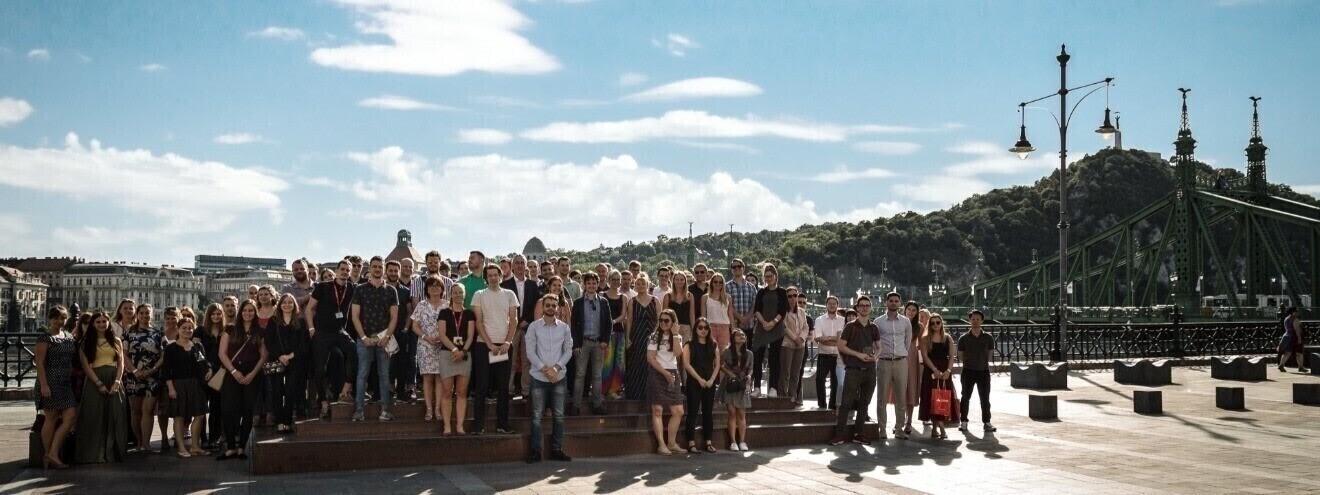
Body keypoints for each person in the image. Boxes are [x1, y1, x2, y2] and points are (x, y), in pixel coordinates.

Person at [524, 295, 574, 463]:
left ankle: (556, 449)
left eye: (554, 305)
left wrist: (556, 368)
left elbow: (568, 350)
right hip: (538, 376)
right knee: (537, 415)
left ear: (558, 308)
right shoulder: (533, 327)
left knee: (559, 415)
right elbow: (530, 352)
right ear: (543, 307)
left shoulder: (565, 328)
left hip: (559, 376)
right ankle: (536, 451)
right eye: (548, 305)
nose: (551, 307)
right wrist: (545, 370)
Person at [305, 260, 358, 419]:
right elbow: (309, 309)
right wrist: (311, 329)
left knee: (354, 351)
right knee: (320, 369)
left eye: (347, 270)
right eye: (342, 269)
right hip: (321, 332)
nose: (345, 272)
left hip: (339, 331)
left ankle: (344, 391)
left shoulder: (353, 288)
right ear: (337, 271)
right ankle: (323, 402)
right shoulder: (323, 286)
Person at [471, 263, 520, 435]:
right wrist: (490, 344)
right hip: (484, 345)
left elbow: (513, 321)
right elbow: (478, 322)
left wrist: (507, 342)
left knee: (503, 388)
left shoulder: (509, 294)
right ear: (486, 278)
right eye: (489, 275)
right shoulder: (479, 295)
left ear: (500, 276)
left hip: (504, 346)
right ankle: (478, 425)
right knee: (482, 386)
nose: (493, 278)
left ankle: (503, 424)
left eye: (495, 275)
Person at [350, 256, 400, 422]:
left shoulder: (391, 291)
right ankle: (359, 410)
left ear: (383, 269)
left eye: (380, 267)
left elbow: (394, 317)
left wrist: (387, 337)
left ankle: (385, 410)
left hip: (384, 339)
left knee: (384, 375)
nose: (378, 269)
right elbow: (355, 316)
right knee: (362, 374)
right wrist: (363, 337)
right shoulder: (360, 289)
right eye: (375, 266)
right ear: (369, 268)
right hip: (364, 339)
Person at [74, 311, 128, 464]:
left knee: (115, 416)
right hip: (94, 380)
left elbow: (121, 363)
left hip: (114, 379)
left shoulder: (116, 340)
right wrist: (98, 383)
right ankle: (95, 454)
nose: (102, 324)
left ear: (109, 323)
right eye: (98, 322)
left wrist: (117, 382)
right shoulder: (86, 342)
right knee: (95, 416)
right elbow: (85, 366)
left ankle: (113, 452)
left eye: (104, 321)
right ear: (93, 324)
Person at [217, 299, 267, 460]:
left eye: (251, 310)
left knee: (248, 411)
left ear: (255, 312)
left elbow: (263, 355)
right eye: (245, 310)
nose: (248, 313)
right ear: (241, 312)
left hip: (252, 373)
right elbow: (222, 353)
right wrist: (233, 371)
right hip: (233, 372)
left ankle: (241, 447)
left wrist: (252, 374)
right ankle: (230, 446)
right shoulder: (230, 329)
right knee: (228, 409)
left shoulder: (260, 331)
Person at [829, 296, 879, 446]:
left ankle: (859, 433)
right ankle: (840, 435)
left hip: (870, 370)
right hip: (853, 369)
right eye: (862, 305)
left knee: (864, 403)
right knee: (846, 403)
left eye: (867, 305)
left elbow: (880, 346)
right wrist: (858, 355)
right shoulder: (850, 327)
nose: (864, 308)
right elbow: (841, 346)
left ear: (870, 308)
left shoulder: (873, 327)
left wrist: (875, 357)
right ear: (857, 308)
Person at [428, 281, 474, 434]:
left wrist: (463, 351)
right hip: (448, 355)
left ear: (464, 294)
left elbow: (470, 336)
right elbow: (442, 334)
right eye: (455, 292)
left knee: (462, 392)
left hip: (464, 356)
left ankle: (459, 426)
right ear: (450, 295)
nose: (458, 295)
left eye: (461, 292)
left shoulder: (469, 314)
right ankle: (447, 426)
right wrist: (455, 349)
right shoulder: (444, 313)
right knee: (447, 392)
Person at [161, 318, 210, 457]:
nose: (187, 331)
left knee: (199, 415)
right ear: (178, 329)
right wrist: (171, 388)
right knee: (179, 416)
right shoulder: (171, 348)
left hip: (195, 384)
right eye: (184, 328)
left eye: (190, 328)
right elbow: (166, 370)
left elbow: (204, 363)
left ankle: (195, 446)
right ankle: (181, 448)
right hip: (178, 384)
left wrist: (210, 370)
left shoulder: (197, 346)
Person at [35, 306, 77, 468]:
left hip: (65, 382)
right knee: (51, 419)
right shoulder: (45, 338)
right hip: (50, 381)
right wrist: (44, 385)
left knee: (70, 416)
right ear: (50, 319)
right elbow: (39, 362)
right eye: (56, 318)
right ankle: (49, 454)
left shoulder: (67, 336)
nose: (59, 321)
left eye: (62, 318)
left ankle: (52, 453)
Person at [124, 304, 164, 453]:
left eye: (147, 313)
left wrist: (153, 369)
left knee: (148, 410)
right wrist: (134, 370)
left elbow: (162, 355)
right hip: (133, 376)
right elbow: (124, 354)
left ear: (152, 315)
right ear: (137, 315)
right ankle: (138, 442)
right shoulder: (129, 332)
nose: (145, 316)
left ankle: (146, 444)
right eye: (142, 313)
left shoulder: (157, 333)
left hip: (152, 377)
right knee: (135, 411)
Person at [267, 294, 309, 434]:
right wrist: (280, 356)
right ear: (280, 305)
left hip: (295, 361)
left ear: (294, 305)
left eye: (290, 302)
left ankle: (287, 421)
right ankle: (279, 422)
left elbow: (304, 343)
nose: (287, 305)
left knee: (291, 392)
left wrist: (290, 356)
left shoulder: (301, 322)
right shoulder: (273, 321)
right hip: (277, 361)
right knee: (277, 392)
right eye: (284, 302)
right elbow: (269, 342)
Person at [571, 273, 611, 416]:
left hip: (598, 344)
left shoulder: (603, 302)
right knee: (580, 375)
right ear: (584, 285)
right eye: (589, 283)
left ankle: (597, 405)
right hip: (583, 343)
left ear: (597, 284)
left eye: (594, 283)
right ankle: (576, 406)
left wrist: (605, 340)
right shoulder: (578, 303)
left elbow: (608, 323)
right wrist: (575, 345)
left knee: (597, 376)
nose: (592, 286)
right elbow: (574, 326)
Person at [874, 292, 911, 440]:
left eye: (896, 301)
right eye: (891, 301)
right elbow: (874, 342)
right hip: (884, 361)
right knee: (882, 397)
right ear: (886, 303)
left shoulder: (906, 322)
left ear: (899, 303)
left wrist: (902, 353)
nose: (894, 303)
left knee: (901, 397)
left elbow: (908, 341)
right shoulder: (878, 322)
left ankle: (899, 429)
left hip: (901, 361)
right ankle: (882, 429)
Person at [647, 309, 685, 455]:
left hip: (673, 372)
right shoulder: (654, 336)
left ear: (672, 322)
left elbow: (677, 353)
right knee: (658, 410)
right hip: (658, 373)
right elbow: (650, 358)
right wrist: (664, 372)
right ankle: (661, 445)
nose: (663, 323)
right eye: (661, 320)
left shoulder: (677, 337)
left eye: (666, 320)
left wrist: (675, 334)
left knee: (678, 411)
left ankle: (672, 442)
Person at [918, 313, 959, 440]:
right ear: (929, 325)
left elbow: (952, 356)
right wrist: (934, 369)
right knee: (932, 397)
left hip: (945, 370)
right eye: (932, 323)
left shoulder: (948, 338)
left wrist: (948, 370)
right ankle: (941, 428)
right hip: (930, 370)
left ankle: (935, 429)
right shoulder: (925, 339)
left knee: (942, 397)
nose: (935, 325)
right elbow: (925, 357)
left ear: (941, 323)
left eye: (938, 322)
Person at [683, 318, 720, 454]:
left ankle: (708, 442)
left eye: (706, 328)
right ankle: (691, 443)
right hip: (694, 381)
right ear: (695, 329)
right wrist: (699, 379)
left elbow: (717, 365)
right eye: (700, 327)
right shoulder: (689, 344)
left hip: (709, 382)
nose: (703, 330)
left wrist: (711, 380)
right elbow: (686, 364)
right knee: (692, 412)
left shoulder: (713, 344)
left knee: (708, 413)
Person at [752, 265, 788, 398]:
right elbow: (757, 309)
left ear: (775, 276)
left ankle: (773, 387)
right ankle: (756, 387)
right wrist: (764, 323)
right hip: (762, 327)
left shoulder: (782, 292)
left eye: (771, 276)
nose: (769, 279)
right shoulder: (761, 292)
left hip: (776, 328)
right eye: (766, 276)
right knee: (758, 357)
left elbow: (783, 311)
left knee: (774, 359)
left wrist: (773, 322)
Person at [958, 310, 996, 433]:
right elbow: (960, 355)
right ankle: (963, 421)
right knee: (965, 397)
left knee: (985, 398)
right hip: (968, 371)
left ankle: (987, 422)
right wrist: (970, 362)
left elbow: (990, 353)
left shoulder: (988, 337)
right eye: (973, 319)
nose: (975, 322)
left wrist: (981, 361)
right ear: (969, 321)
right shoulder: (963, 338)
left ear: (982, 321)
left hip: (983, 371)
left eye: (978, 319)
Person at [385, 260, 416, 404]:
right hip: (384, 333)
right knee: (388, 363)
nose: (393, 273)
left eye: (395, 271)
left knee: (402, 362)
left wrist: (405, 328)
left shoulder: (405, 290)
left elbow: (410, 312)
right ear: (386, 272)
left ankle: (402, 391)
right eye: (390, 270)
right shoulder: (381, 289)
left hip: (401, 332)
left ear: (399, 272)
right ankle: (390, 389)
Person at [624, 275, 659, 401]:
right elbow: (629, 321)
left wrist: (658, 336)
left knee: (651, 363)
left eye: (643, 283)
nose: (640, 286)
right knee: (636, 363)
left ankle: (651, 392)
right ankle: (636, 392)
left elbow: (660, 320)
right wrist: (627, 337)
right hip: (637, 335)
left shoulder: (655, 300)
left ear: (648, 285)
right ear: (635, 286)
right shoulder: (632, 301)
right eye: (638, 284)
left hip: (652, 335)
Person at [198, 304, 226, 449]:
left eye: (218, 314)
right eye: (213, 314)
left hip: (220, 372)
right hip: (204, 373)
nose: (216, 316)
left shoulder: (225, 331)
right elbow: (197, 352)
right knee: (202, 407)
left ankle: (215, 437)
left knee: (217, 407)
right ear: (208, 316)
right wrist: (206, 368)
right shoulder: (201, 331)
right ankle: (203, 438)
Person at [721, 329, 753, 452]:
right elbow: (720, 364)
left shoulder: (749, 353)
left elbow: (751, 367)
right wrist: (730, 374)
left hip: (742, 384)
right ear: (733, 338)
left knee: (741, 413)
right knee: (732, 412)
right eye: (739, 335)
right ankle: (733, 441)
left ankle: (742, 441)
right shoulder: (727, 352)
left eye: (743, 335)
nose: (742, 336)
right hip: (730, 384)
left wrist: (749, 376)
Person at [814, 296, 845, 411]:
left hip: (838, 356)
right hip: (823, 354)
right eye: (829, 303)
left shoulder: (843, 320)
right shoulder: (819, 320)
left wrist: (827, 338)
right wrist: (835, 339)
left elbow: (842, 340)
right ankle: (822, 405)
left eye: (834, 303)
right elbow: (817, 338)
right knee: (820, 379)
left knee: (836, 382)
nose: (832, 305)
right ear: (826, 305)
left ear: (837, 305)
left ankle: (832, 406)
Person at [600, 270, 627, 399]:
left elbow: (623, 315)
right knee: (606, 362)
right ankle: (602, 390)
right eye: (614, 279)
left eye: (618, 279)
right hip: (606, 334)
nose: (616, 282)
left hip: (619, 332)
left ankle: (613, 390)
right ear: (609, 280)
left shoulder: (624, 297)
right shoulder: (602, 295)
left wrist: (614, 321)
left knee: (619, 362)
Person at [779, 287, 808, 405]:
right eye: (789, 296)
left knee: (796, 373)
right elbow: (784, 327)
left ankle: (793, 397)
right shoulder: (783, 311)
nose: (792, 298)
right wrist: (795, 338)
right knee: (785, 372)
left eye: (794, 295)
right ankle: (783, 398)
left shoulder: (801, 311)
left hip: (800, 345)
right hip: (787, 344)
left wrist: (801, 338)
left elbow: (806, 326)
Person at [902, 303, 926, 433]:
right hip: (899, 354)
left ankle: (909, 421)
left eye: (914, 310)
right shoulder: (898, 321)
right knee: (899, 389)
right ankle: (899, 421)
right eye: (909, 309)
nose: (911, 312)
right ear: (904, 310)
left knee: (911, 388)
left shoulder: (919, 327)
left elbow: (922, 345)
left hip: (912, 356)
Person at [702, 273, 735, 350]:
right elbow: (703, 315)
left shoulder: (728, 297)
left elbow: (730, 314)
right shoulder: (705, 297)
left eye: (720, 282)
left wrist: (733, 329)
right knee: (711, 351)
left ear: (723, 284)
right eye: (715, 282)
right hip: (710, 327)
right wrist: (703, 327)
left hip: (724, 328)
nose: (718, 284)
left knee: (723, 353)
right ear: (712, 283)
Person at [663, 271, 696, 343]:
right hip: (672, 327)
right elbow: (664, 315)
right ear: (673, 281)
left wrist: (693, 329)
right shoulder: (668, 296)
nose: (679, 281)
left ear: (685, 281)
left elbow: (691, 314)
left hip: (686, 328)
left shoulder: (690, 296)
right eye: (677, 279)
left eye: (682, 279)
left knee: (686, 351)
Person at [1278, 307, 1309, 372]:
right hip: (1294, 337)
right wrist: (1299, 338)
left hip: (1287, 336)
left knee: (1287, 352)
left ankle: (1281, 365)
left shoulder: (1286, 319)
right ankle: (1301, 367)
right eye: (1296, 311)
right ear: (1293, 312)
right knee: (1299, 352)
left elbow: (1286, 328)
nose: (1298, 312)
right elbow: (1297, 330)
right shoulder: (1295, 319)